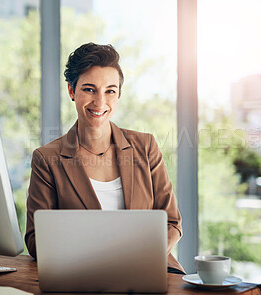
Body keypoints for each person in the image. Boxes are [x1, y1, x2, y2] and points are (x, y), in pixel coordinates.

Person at [25, 42, 184, 274]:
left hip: (150, 271)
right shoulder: (47, 159)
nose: (100, 102)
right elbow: (35, 240)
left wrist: (138, 260)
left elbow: (172, 223)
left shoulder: (145, 147)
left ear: (118, 94)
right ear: (72, 91)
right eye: (89, 89)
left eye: (110, 91)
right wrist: (101, 259)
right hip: (83, 275)